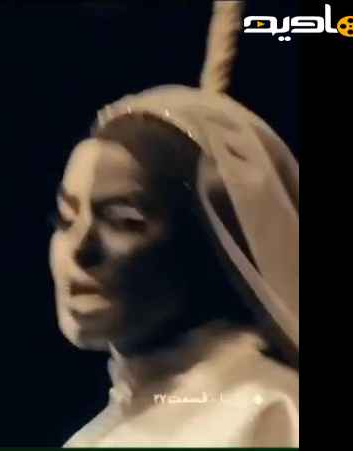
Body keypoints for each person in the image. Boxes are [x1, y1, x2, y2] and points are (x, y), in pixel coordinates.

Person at [48, 2, 298, 446]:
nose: (79, 249)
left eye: (124, 221)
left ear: (204, 245)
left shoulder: (269, 413)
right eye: (66, 219)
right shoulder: (104, 431)